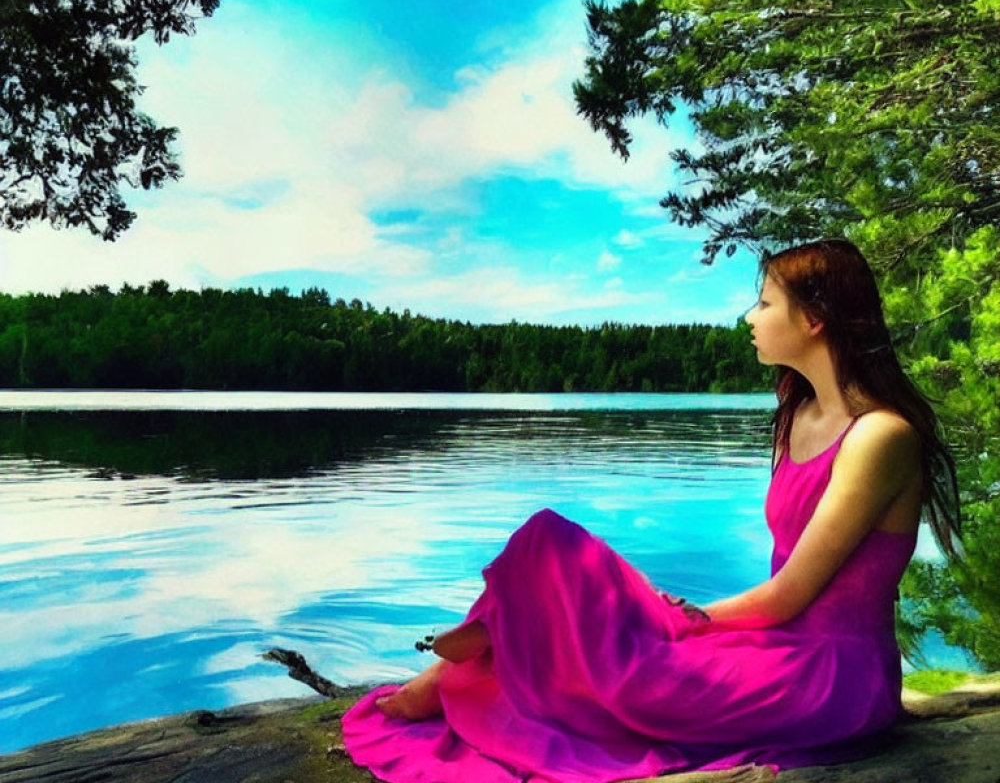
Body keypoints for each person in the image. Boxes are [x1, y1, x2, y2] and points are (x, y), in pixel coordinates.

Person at [341, 239, 961, 782]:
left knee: (608, 634)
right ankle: (485, 646)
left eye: (766, 302)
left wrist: (676, 621)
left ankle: (468, 661)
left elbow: (791, 594)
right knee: (552, 551)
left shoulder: (879, 437)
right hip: (771, 648)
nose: (751, 316)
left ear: (817, 319)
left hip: (829, 679)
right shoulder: (797, 417)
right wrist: (673, 620)